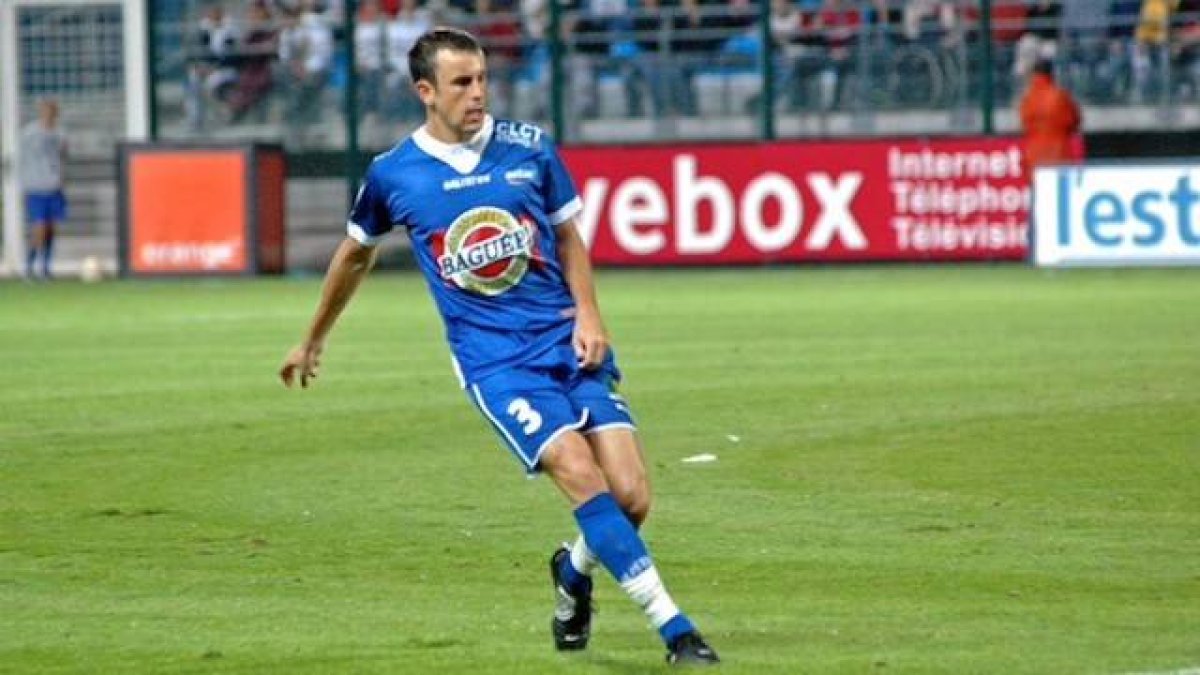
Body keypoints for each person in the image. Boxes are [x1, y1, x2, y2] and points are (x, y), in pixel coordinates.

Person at [278, 27, 720, 667]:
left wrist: (590, 316)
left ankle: (572, 575)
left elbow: (570, 239)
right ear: (425, 92)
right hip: (497, 364)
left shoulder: (531, 148)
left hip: (566, 341)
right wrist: (312, 339)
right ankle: (676, 630)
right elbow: (353, 258)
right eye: (462, 83)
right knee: (579, 474)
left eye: (483, 79)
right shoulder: (394, 173)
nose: (478, 93)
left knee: (632, 497)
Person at [19, 98, 68, 280]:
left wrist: (61, 180)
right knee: (39, 227)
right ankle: (29, 266)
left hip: (54, 187)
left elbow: (62, 158)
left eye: (51, 111)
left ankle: (46, 268)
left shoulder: (60, 134)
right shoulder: (29, 133)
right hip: (36, 188)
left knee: (51, 228)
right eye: (45, 110)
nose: (48, 114)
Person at [1018, 59, 1082, 173]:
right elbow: (1075, 121)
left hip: (1033, 155)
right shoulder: (1060, 96)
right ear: (1052, 73)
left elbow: (1024, 124)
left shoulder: (1027, 99)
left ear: (1034, 75)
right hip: (1058, 154)